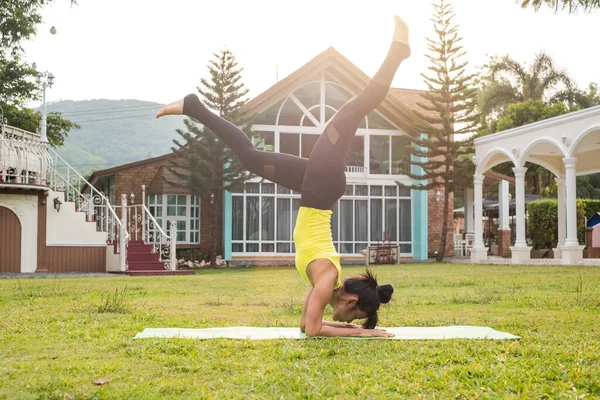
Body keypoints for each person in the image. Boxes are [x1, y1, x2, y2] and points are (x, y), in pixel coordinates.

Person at [156, 15, 411, 337]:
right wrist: (366, 333)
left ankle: (194, 106)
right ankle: (398, 52)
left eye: (352, 322)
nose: (347, 321)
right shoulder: (326, 277)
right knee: (353, 109)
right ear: (351, 300)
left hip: (317, 187)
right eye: (352, 317)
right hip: (321, 186)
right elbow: (316, 331)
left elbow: (307, 326)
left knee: (250, 158)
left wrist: (356, 330)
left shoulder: (326, 283)